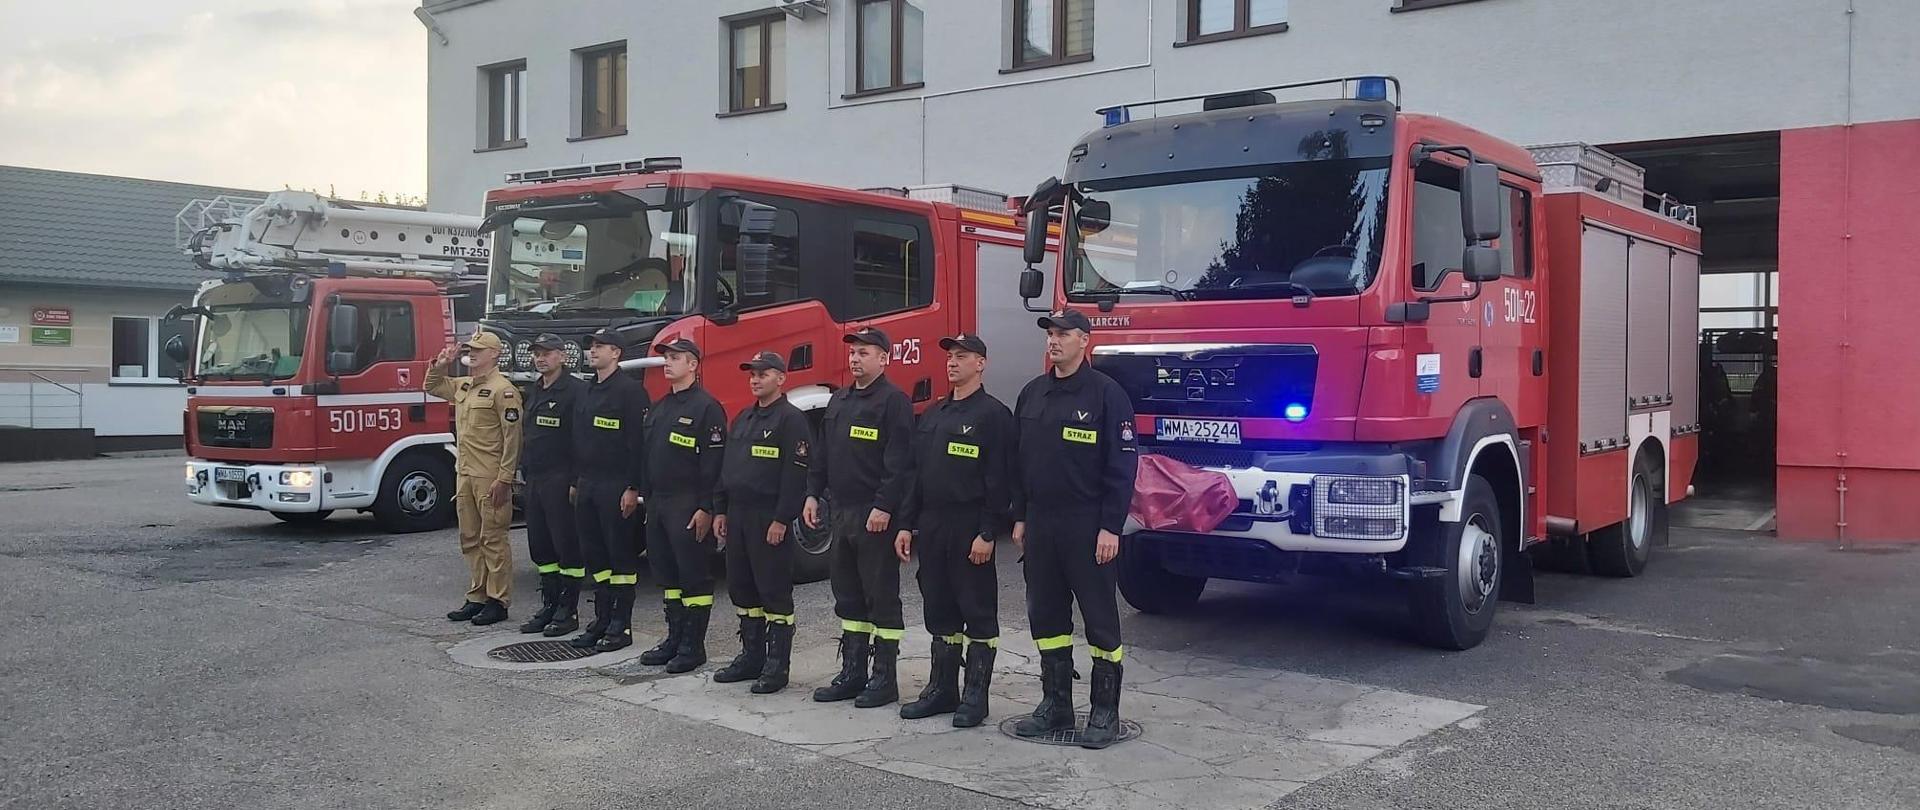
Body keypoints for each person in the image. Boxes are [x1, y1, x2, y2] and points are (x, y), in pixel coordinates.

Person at [1010, 309, 1138, 749]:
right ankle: (1055, 703)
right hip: (1042, 523)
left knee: (1100, 620)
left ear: (1085, 340)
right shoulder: (1032, 394)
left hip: (1088, 525)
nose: (1054, 341)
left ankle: (1104, 711)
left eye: (1063, 334)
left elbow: (1122, 467)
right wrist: (1021, 516)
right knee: (1045, 616)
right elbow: (1019, 462)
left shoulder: (1107, 395)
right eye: (1050, 334)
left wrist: (1110, 527)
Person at [894, 333, 1014, 727]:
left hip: (968, 527)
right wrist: (907, 524)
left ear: (981, 364)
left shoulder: (993, 415)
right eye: (950, 356)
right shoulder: (934, 414)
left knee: (976, 611)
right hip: (932, 525)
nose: (952, 363)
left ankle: (975, 696)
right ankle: (942, 689)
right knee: (939, 609)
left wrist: (987, 532)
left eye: (962, 357)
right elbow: (914, 474)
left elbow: (999, 478)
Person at [806, 326, 914, 708]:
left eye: (865, 352)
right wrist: (812, 494)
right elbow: (822, 453)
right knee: (848, 596)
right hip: (842, 513)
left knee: (880, 595)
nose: (855, 358)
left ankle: (884, 679)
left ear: (884, 359)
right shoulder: (839, 401)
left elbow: (899, 463)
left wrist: (884, 506)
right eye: (852, 352)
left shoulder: (893, 402)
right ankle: (853, 673)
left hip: (874, 515)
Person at [711, 350, 811, 694]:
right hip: (738, 515)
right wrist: (720, 509)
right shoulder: (743, 418)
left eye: (763, 374)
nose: (755, 379)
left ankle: (776, 665)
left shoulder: (791, 420)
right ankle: (750, 656)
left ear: (781, 379)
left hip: (769, 517)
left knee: (773, 592)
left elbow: (794, 475)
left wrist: (782, 518)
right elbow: (728, 468)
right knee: (742, 587)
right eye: (752, 374)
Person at [637, 336, 728, 673]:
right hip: (659, 503)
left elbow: (715, 465)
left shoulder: (706, 408)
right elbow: (648, 455)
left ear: (693, 364)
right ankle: (674, 638)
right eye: (666, 357)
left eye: (676, 357)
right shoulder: (661, 407)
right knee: (667, 575)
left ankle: (693, 645)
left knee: (694, 577)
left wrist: (707, 507)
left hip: (689, 505)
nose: (668, 362)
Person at [425, 330, 521, 626]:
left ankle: (498, 600)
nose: (472, 353)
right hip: (464, 472)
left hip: (489, 475)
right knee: (469, 538)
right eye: (470, 349)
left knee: (493, 538)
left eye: (478, 349)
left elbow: (513, 438)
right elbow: (432, 386)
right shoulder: (464, 385)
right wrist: (441, 364)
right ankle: (476, 596)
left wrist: (505, 477)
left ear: (494, 354)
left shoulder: (503, 390)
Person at [569, 328, 650, 653]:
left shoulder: (630, 392)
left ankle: (621, 623)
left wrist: (633, 487)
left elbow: (638, 445)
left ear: (616, 353)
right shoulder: (587, 391)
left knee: (620, 556)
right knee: (595, 555)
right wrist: (576, 481)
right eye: (591, 345)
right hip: (588, 483)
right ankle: (601, 618)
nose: (593, 351)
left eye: (600, 346)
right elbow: (578, 440)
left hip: (616, 485)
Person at [518, 333, 587, 636]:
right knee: (541, 546)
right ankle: (549, 603)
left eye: (547, 353)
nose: (540, 358)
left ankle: (568, 610)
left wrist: (575, 480)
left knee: (566, 546)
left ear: (562, 356)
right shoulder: (535, 390)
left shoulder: (575, 391)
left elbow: (582, 440)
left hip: (561, 478)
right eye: (537, 353)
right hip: (535, 478)